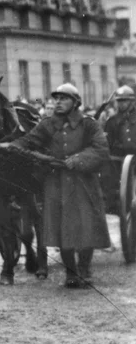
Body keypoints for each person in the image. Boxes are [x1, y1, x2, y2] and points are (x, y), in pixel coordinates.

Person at [8, 83, 111, 287]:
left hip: (83, 184)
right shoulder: (47, 124)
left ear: (75, 102)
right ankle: (71, 273)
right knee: (61, 228)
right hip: (56, 184)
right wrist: (14, 146)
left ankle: (84, 269)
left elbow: (100, 149)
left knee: (85, 228)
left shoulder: (88, 124)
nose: (58, 102)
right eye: (56, 98)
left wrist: (79, 159)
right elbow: (29, 140)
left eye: (64, 98)